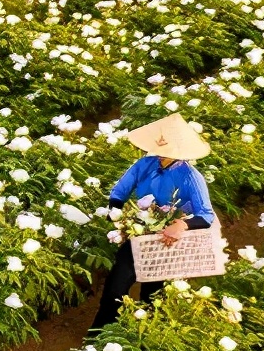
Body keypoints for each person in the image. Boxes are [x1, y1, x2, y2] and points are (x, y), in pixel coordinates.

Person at [89, 114, 216, 330]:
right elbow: (120, 191)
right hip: (139, 234)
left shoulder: (190, 177)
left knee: (152, 295)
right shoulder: (145, 164)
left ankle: (141, 337)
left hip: (167, 243)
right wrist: (117, 213)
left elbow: (206, 215)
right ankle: (99, 335)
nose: (159, 149)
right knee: (114, 289)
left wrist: (180, 225)